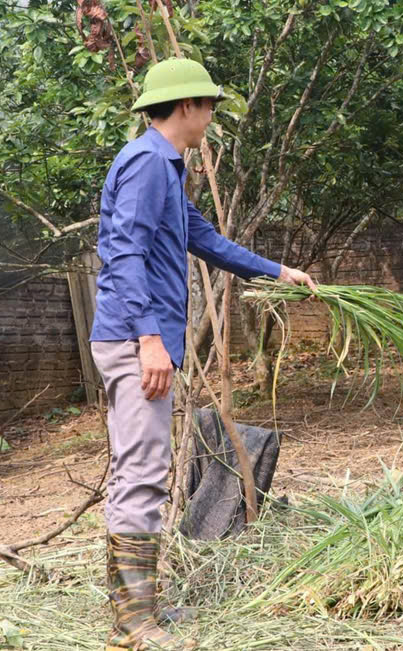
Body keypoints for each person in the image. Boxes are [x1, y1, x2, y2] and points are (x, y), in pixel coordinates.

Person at [89, 57, 315, 650]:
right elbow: (123, 255)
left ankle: (141, 611)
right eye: (209, 104)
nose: (213, 115)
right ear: (186, 106)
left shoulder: (165, 167)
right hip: (136, 340)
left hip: (141, 337)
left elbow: (204, 239)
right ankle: (134, 625)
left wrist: (278, 271)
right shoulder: (145, 164)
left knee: (139, 471)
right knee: (142, 474)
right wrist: (149, 339)